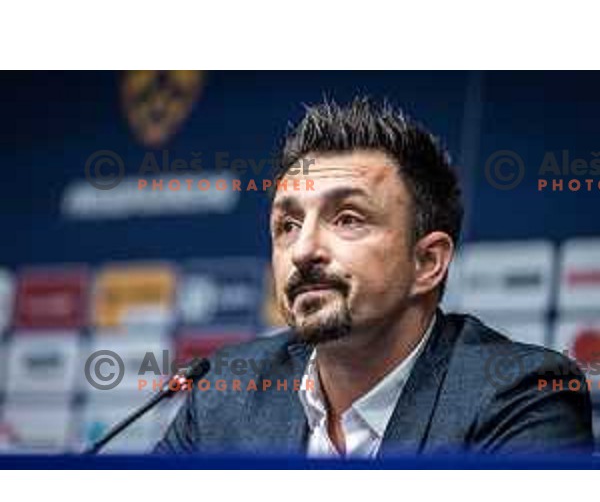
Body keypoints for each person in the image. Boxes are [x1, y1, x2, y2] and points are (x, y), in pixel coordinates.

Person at [155, 97, 593, 457]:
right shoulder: (220, 394)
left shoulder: (518, 396)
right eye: (287, 226)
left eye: (346, 219)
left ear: (427, 262)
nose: (304, 249)